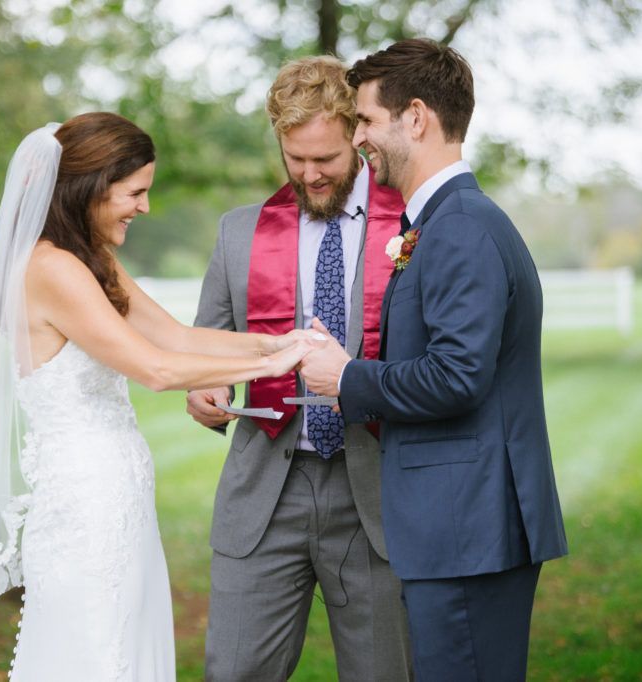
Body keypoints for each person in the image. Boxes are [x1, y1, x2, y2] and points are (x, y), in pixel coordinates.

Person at [0, 112, 318, 682]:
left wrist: (281, 339)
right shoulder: (51, 269)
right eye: (135, 192)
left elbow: (176, 335)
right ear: (91, 187)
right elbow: (154, 366)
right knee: (97, 652)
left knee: (125, 643)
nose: (144, 207)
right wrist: (272, 364)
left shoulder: (91, 262)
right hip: (87, 503)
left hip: (118, 494)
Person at [299, 39, 569, 681]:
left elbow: (458, 374)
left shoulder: (461, 229)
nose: (358, 136)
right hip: (457, 525)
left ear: (414, 117)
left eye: (364, 119)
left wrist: (346, 378)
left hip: (468, 527)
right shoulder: (445, 222)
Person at [188, 56, 413, 681]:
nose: (311, 175)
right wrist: (207, 386)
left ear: (359, 136)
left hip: (375, 492)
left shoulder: (416, 226)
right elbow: (209, 350)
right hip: (265, 491)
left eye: (328, 160)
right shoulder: (239, 233)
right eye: (296, 160)